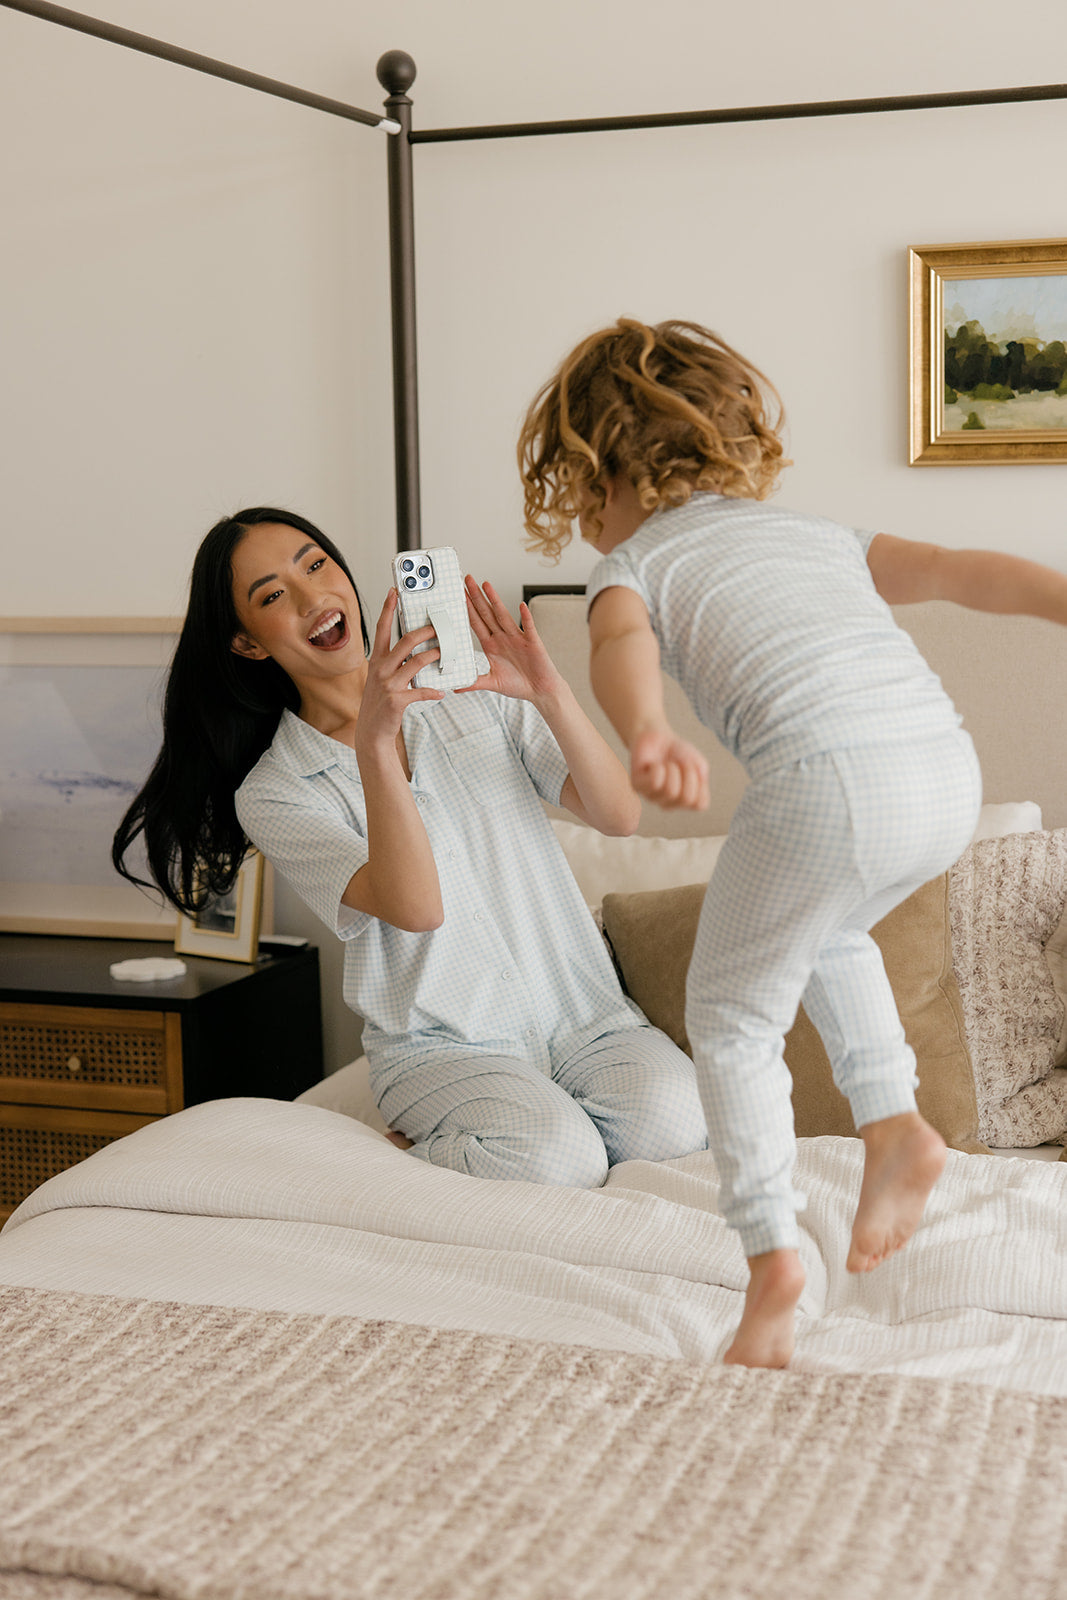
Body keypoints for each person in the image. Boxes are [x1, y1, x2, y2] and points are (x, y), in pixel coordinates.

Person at [516, 316, 1067, 1369]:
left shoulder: (632, 565)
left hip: (827, 788)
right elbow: (960, 571)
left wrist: (646, 732)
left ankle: (771, 1257)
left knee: (726, 1016)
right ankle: (895, 1124)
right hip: (941, 774)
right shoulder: (819, 535)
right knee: (827, 931)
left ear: (594, 468)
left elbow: (621, 645)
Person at [113, 506, 707, 1187]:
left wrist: (548, 691)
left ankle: (509, 1130)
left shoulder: (473, 691)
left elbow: (620, 814)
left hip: (582, 1015)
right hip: (442, 1048)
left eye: (315, 564)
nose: (312, 596)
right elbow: (418, 906)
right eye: (273, 595)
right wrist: (374, 742)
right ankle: (403, 1159)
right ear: (248, 644)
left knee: (675, 1122)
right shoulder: (276, 792)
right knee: (555, 1156)